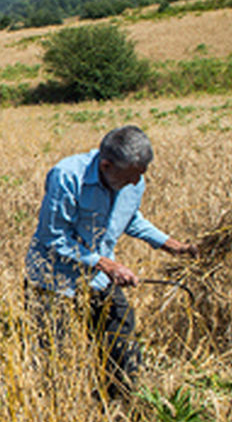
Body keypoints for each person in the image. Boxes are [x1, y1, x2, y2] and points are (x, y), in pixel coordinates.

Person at [24, 125, 196, 396]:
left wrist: (173, 245)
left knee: (120, 336)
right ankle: (57, 409)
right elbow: (53, 236)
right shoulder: (68, 176)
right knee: (52, 353)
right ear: (106, 165)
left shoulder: (133, 179)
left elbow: (129, 218)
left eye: (140, 177)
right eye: (130, 177)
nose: (135, 184)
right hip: (53, 278)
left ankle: (121, 403)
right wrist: (106, 264)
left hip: (99, 278)